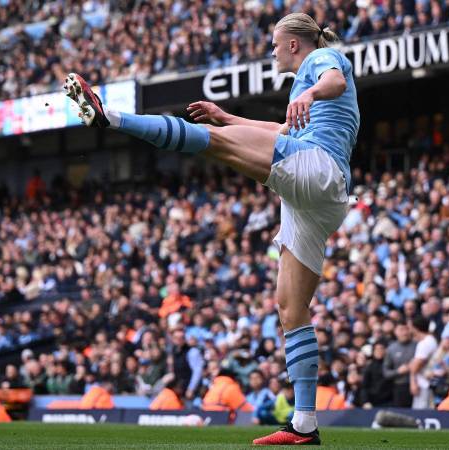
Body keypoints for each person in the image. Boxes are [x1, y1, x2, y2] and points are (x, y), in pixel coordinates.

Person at [65, 11, 359, 445]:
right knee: (291, 310)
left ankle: (111, 119)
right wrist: (226, 115)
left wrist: (311, 93)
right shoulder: (303, 85)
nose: (272, 50)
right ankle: (305, 425)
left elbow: (334, 80)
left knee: (208, 141)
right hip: (317, 198)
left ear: (294, 44)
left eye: (276, 44)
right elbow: (277, 130)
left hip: (317, 168)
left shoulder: (323, 59)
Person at [383, 322, 416, 407]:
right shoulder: (391, 349)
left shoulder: (417, 345)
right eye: (401, 330)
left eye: (406, 329)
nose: (405, 333)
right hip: (399, 387)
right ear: (395, 332)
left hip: (417, 384)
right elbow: (386, 372)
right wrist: (398, 371)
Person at [410, 316, 438, 409]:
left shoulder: (425, 343)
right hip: (424, 382)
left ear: (415, 328)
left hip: (423, 384)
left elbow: (415, 366)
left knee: (421, 413)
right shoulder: (429, 340)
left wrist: (413, 382)